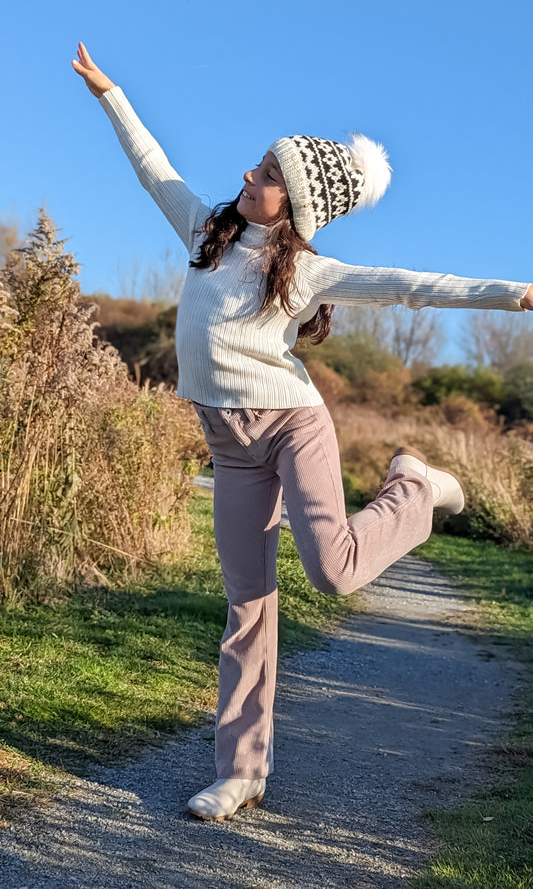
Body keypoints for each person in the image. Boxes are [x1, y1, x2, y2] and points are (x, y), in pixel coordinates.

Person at [72, 42, 533, 822]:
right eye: (257, 165)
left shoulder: (309, 272)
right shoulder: (203, 232)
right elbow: (152, 166)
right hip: (229, 447)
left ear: (299, 206)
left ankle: (414, 488)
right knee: (246, 606)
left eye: (269, 176)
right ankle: (241, 771)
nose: (251, 177)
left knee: (334, 572)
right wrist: (110, 93)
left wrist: (513, 296)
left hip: (293, 426)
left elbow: (412, 288)